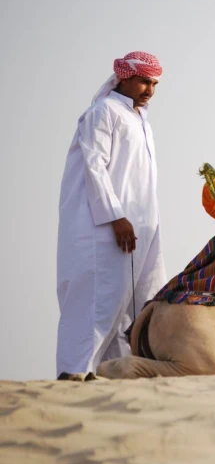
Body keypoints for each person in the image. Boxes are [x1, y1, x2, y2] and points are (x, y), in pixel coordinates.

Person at [56, 51, 167, 378]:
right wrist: (115, 217)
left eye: (154, 83)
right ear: (125, 78)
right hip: (104, 227)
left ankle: (110, 372)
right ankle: (74, 371)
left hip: (142, 227)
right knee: (97, 299)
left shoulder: (140, 120)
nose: (149, 89)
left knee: (135, 305)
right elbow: (95, 167)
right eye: (144, 81)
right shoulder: (103, 112)